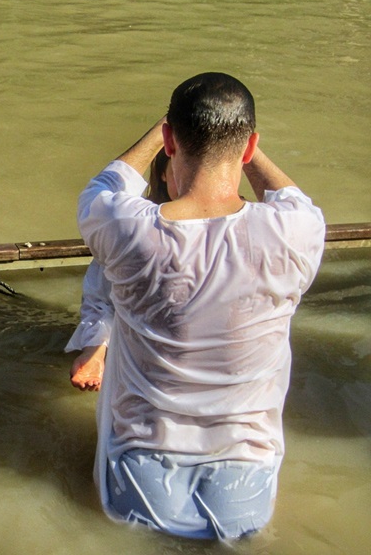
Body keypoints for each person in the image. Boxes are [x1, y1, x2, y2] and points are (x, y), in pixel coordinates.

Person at [77, 72, 325, 540]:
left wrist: (166, 127)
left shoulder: (126, 228)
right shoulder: (296, 234)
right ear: (250, 148)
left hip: (137, 471)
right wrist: (238, 139)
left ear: (170, 140)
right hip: (247, 474)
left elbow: (110, 183)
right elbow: (292, 196)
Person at [67, 150, 175, 391]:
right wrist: (95, 349)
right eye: (183, 164)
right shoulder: (133, 225)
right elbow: (101, 297)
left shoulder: (243, 227)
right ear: (163, 174)